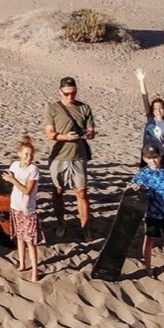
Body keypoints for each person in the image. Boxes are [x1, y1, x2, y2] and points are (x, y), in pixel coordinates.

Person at [43, 76, 97, 240]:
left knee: (81, 193)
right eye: (66, 94)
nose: (69, 97)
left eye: (72, 93)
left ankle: (85, 228)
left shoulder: (84, 108)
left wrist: (89, 133)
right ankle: (61, 224)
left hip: (78, 156)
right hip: (59, 156)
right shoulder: (52, 108)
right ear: (60, 91)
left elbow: (92, 131)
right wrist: (66, 137)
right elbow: (50, 134)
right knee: (58, 192)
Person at [130, 144, 164, 280]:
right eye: (149, 158)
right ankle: (148, 268)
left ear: (161, 157)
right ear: (145, 159)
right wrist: (135, 186)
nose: (153, 160)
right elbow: (132, 185)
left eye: (156, 157)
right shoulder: (143, 173)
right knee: (149, 241)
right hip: (152, 213)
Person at [5, 135, 44, 282]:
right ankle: (22, 263)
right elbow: (8, 183)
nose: (29, 157)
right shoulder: (15, 165)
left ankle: (35, 270)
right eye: (26, 154)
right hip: (15, 206)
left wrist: (13, 180)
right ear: (20, 154)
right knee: (20, 237)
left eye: (31, 154)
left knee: (30, 241)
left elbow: (27, 190)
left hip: (28, 209)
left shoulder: (33, 170)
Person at [135, 68, 164, 164]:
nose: (158, 111)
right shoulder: (150, 118)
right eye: (155, 108)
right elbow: (145, 98)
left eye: (160, 108)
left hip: (158, 156)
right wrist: (141, 81)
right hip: (146, 154)